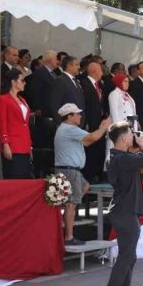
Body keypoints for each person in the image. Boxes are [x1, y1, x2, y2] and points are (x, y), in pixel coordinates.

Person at [96, 121, 143, 286]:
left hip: (126, 211)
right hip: (125, 212)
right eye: (131, 134)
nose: (134, 136)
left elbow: (140, 159)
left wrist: (138, 147)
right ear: (123, 138)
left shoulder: (120, 157)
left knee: (129, 256)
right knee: (126, 256)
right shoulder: (120, 159)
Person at [54, 103, 111, 245]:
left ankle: (69, 220)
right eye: (77, 114)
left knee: (84, 187)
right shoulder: (69, 129)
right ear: (69, 116)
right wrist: (103, 127)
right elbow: (92, 138)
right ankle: (69, 237)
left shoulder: (66, 129)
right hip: (69, 171)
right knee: (70, 204)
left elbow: (86, 142)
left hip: (71, 170)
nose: (80, 116)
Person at [0, 69, 33, 179]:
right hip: (13, 144)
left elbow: (25, 124)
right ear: (13, 82)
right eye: (22, 80)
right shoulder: (3, 99)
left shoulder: (22, 99)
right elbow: (2, 123)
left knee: (25, 176)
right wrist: (5, 144)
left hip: (24, 143)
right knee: (15, 176)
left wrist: (30, 145)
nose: (24, 83)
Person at [79, 62, 108, 182]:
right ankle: (88, 179)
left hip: (99, 124)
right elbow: (83, 105)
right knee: (89, 153)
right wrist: (84, 122)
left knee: (98, 151)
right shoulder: (84, 84)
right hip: (89, 124)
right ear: (95, 71)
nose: (103, 72)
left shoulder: (99, 85)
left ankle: (96, 177)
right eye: (101, 70)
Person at [49, 55, 85, 125]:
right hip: (67, 124)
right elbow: (55, 104)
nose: (79, 67)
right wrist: (60, 124)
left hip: (78, 123)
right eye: (76, 65)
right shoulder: (60, 80)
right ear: (69, 66)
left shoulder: (75, 80)